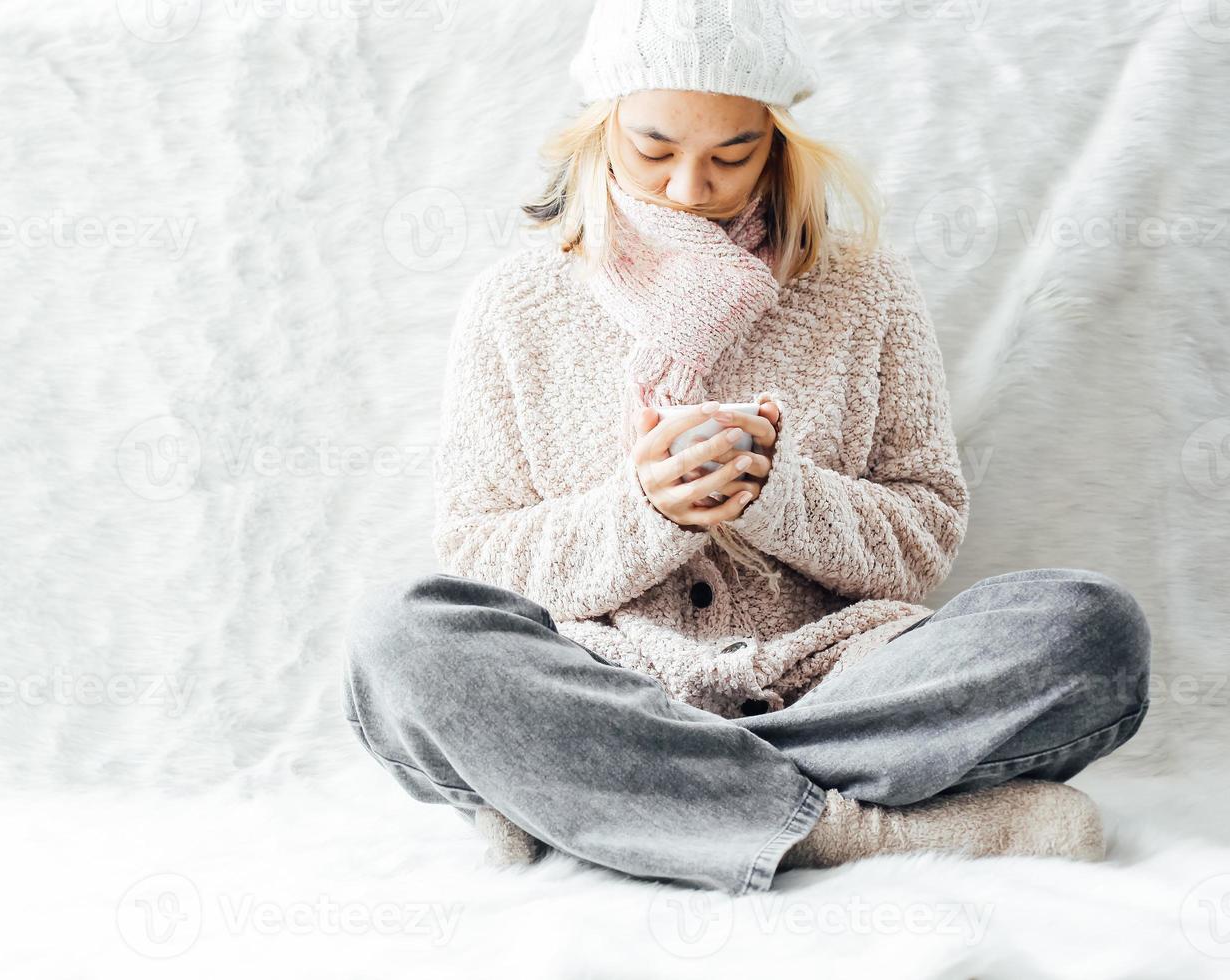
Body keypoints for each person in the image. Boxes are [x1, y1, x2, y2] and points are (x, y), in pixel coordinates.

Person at [341, 0, 1151, 895]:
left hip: (836, 680)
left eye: (731, 155)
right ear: (599, 126)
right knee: (404, 640)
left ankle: (600, 796)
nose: (690, 187)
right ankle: (844, 831)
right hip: (603, 674)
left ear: (777, 145)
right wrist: (643, 513)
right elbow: (481, 557)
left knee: (1088, 627)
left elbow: (919, 539)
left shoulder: (863, 287)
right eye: (654, 149)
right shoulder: (516, 302)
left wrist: (777, 493)